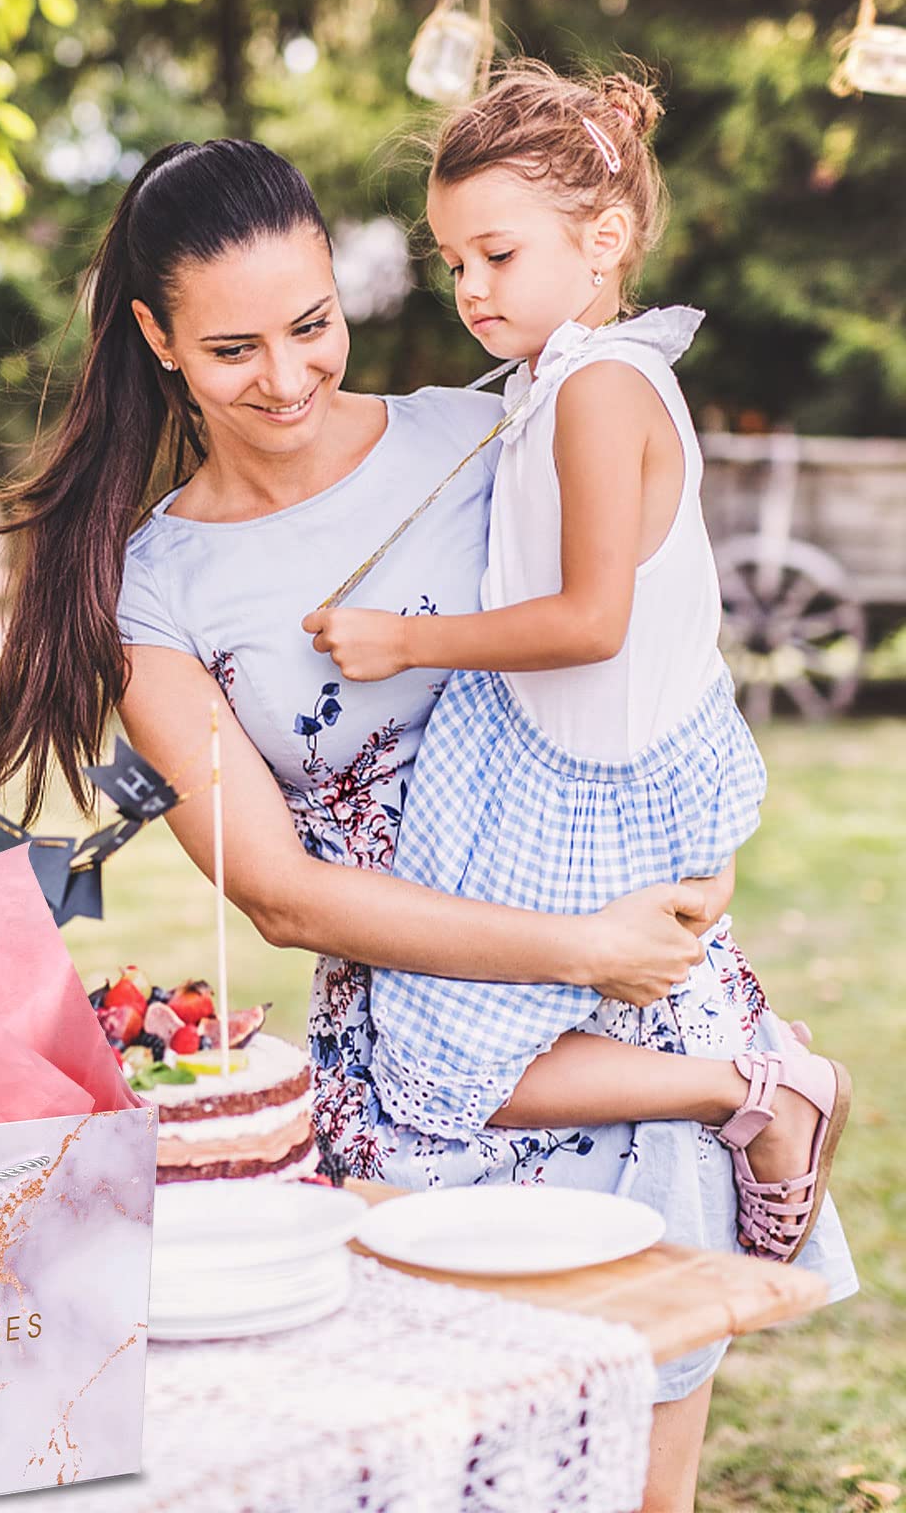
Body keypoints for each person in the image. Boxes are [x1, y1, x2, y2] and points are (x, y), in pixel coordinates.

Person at [0, 131, 855, 1511]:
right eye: (231, 350)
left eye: (312, 325)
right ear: (155, 337)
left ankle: (753, 1094)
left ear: (343, 289)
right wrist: (586, 948)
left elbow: (646, 651)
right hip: (424, 1068)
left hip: (631, 1020)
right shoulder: (154, 594)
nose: (286, 378)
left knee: (643, 1485)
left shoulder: (490, 430)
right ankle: (746, 1088)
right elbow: (278, 893)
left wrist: (690, 879)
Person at [299, 61, 850, 1270]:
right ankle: (739, 1096)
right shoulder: (552, 381)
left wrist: (405, 640)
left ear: (601, 241)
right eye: (452, 262)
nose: (468, 287)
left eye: (496, 254)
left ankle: (763, 1092)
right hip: (538, 749)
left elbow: (591, 617)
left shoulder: (602, 386)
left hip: (589, 767)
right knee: (445, 1056)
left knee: (453, 1068)